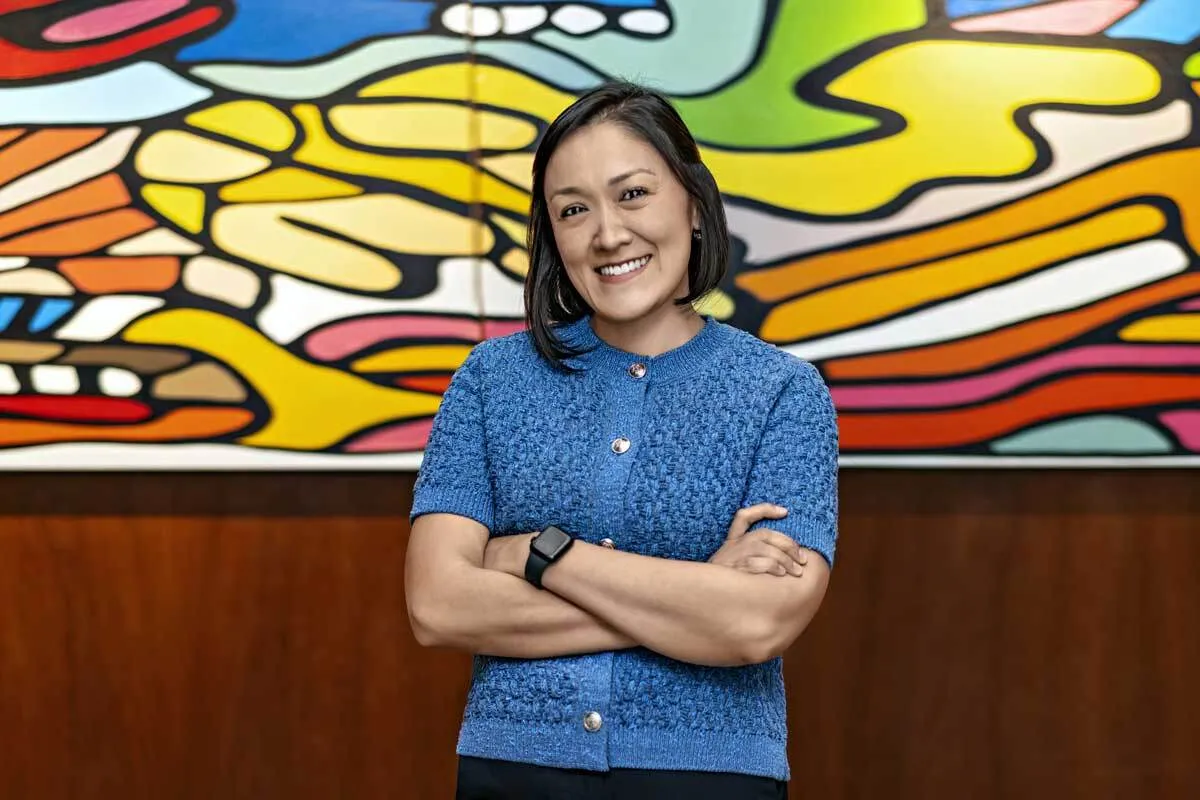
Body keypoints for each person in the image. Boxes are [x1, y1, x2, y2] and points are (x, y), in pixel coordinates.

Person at [405, 80, 839, 799]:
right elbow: (438, 606)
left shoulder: (782, 393)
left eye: (633, 194)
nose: (607, 233)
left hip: (710, 775)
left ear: (693, 206)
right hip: (518, 770)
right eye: (573, 210)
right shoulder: (491, 380)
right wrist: (694, 602)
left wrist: (540, 555)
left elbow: (756, 625)